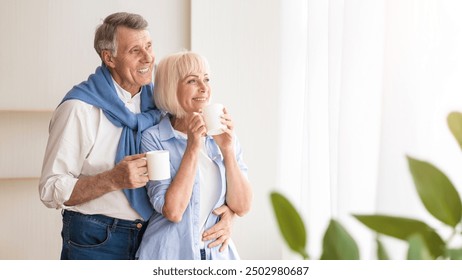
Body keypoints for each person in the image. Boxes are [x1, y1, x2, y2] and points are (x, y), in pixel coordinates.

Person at [38, 12, 236, 260]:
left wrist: (228, 214)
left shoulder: (160, 103)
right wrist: (112, 179)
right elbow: (49, 188)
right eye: (135, 50)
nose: (148, 58)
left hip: (152, 237)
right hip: (96, 238)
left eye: (149, 46)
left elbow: (197, 175)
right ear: (109, 57)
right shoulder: (79, 109)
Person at [136, 51, 253, 260]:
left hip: (216, 255)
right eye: (192, 80)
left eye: (206, 79)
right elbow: (172, 211)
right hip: (168, 255)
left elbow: (243, 206)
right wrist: (192, 146)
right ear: (172, 88)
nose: (204, 88)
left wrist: (227, 150)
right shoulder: (153, 138)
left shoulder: (224, 136)